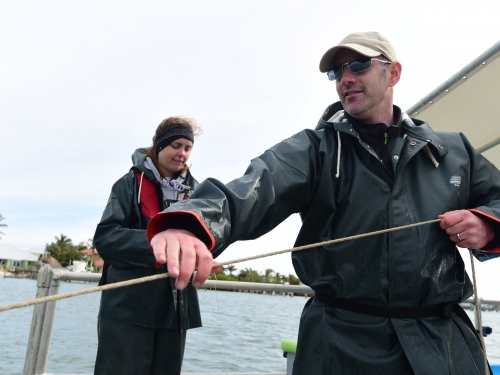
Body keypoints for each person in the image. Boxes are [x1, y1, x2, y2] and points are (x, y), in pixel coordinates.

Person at [146, 32, 500, 374]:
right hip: (339, 346)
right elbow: (253, 187)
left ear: (392, 73)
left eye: (358, 65)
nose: (345, 78)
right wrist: (190, 222)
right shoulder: (313, 150)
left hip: (444, 346)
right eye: (336, 72)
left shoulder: (454, 152)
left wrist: (487, 222)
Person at [93, 116, 203, 375]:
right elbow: (106, 237)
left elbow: (206, 237)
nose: (182, 153)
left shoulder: (196, 191)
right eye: (176, 145)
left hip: (176, 308)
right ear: (159, 145)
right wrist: (156, 242)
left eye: (188, 148)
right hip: (128, 307)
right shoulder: (128, 184)